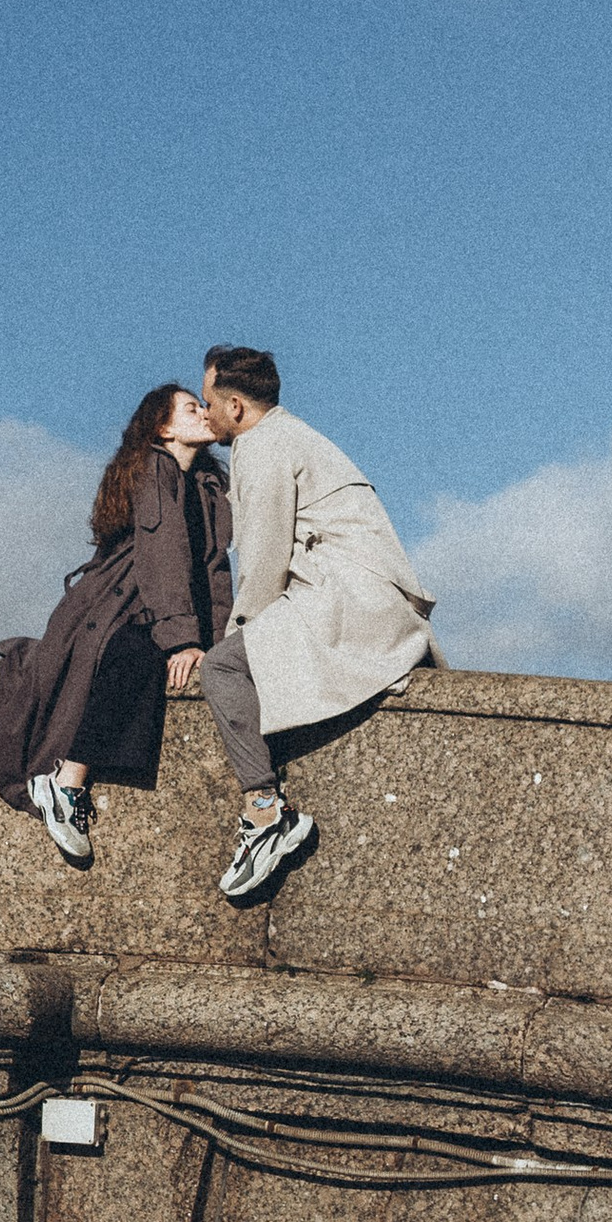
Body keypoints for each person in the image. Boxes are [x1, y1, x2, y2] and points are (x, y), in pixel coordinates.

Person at [194, 343, 441, 902]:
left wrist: (237, 638)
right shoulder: (292, 435)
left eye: (209, 402)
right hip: (370, 601)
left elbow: (262, 562)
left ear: (235, 406)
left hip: (351, 602)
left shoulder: (262, 445)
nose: (206, 414)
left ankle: (265, 816)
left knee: (223, 669)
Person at [0, 385, 234, 863]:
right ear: (163, 428)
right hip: (116, 604)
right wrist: (181, 639)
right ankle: (66, 783)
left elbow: (215, 570)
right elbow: (162, 556)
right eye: (191, 408)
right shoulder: (155, 467)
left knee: (150, 652)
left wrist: (216, 645)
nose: (205, 413)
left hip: (160, 607)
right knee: (135, 652)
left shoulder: (207, 488)